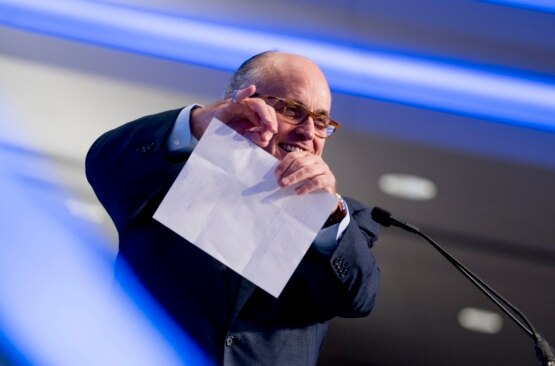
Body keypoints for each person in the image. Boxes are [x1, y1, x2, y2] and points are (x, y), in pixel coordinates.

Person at [86, 51, 380, 365]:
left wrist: (327, 213)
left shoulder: (341, 221)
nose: (308, 132)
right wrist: (199, 122)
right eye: (293, 110)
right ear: (243, 101)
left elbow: (358, 299)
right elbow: (104, 163)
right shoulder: (172, 174)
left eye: (321, 121)